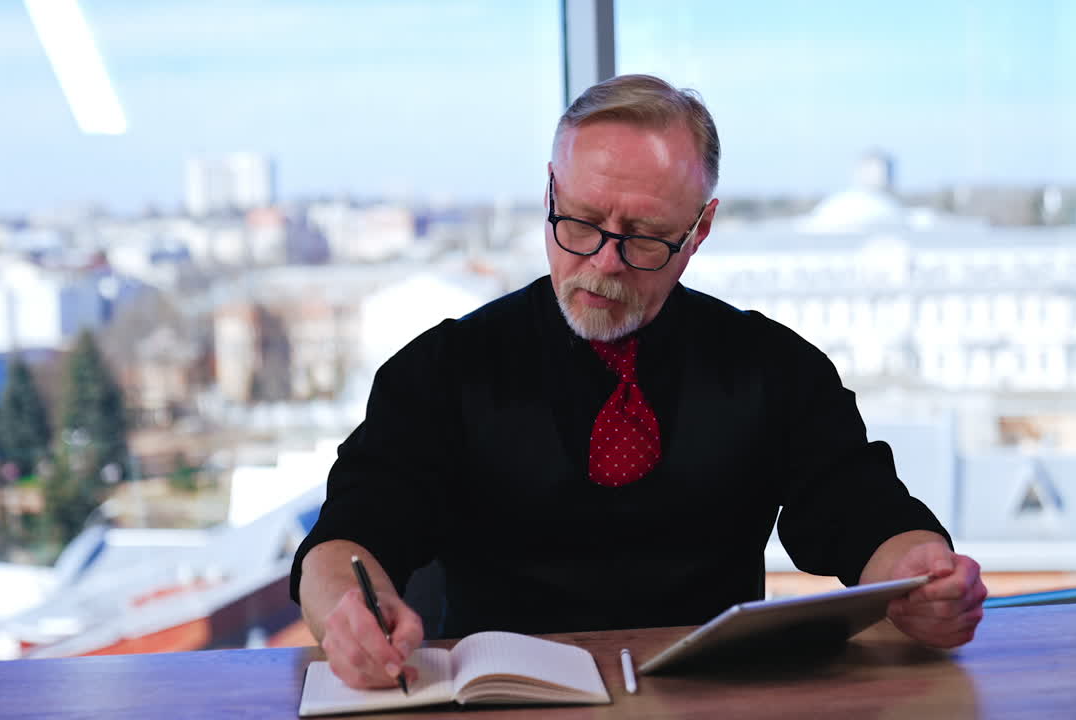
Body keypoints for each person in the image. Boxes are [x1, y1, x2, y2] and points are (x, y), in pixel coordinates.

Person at [291, 74, 987, 689]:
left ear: (700, 230)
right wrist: (346, 613)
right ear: (549, 193)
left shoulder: (773, 366)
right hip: (500, 705)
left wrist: (924, 574)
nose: (605, 262)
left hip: (715, 701)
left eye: (646, 236)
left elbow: (859, 511)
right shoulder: (444, 369)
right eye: (581, 223)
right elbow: (353, 530)